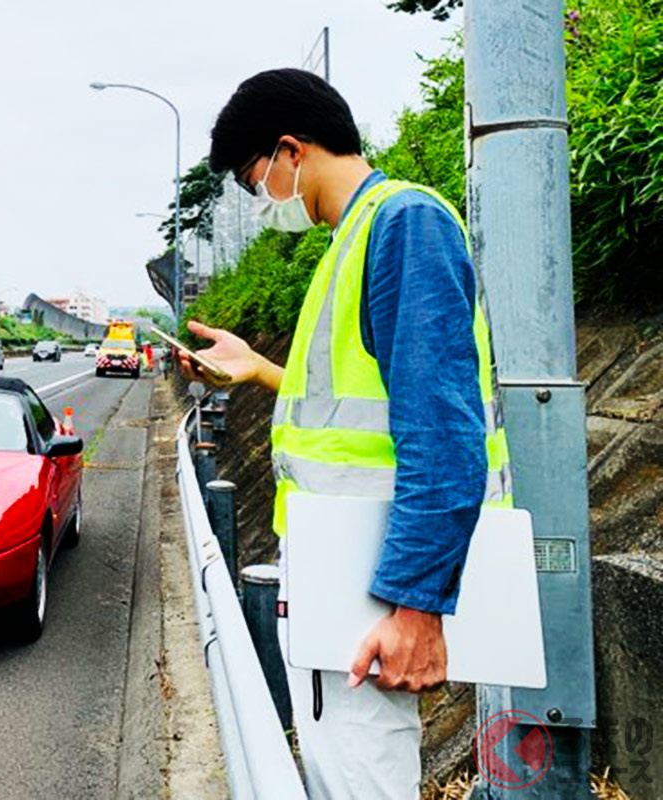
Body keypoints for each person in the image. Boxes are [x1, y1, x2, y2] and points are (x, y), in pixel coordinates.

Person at [179, 69, 512, 799]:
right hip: (347, 583)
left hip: (379, 595)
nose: (260, 201)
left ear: (291, 151)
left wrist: (418, 606)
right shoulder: (355, 239)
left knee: (362, 782)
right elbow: (352, 414)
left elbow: (443, 432)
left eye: (251, 179)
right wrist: (258, 369)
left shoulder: (403, 224)